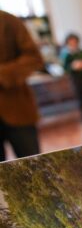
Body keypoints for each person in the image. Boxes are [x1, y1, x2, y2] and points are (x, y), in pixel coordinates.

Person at [0, 10, 43, 162]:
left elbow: (34, 58)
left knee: (33, 165)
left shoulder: (8, 21)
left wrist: (3, 74)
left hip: (17, 108)